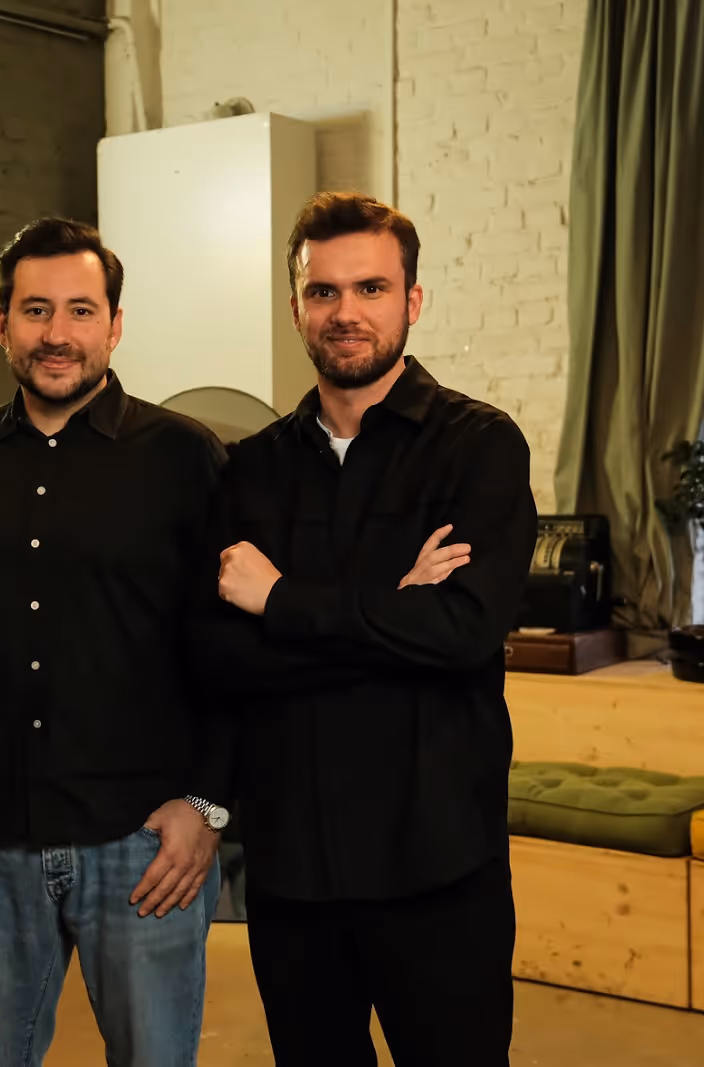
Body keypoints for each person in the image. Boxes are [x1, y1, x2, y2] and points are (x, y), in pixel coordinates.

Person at [195, 192, 536, 1066]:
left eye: (372, 289)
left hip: (438, 869)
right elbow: (218, 656)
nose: (346, 313)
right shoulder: (251, 469)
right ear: (298, 305)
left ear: (412, 301)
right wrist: (392, 606)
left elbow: (464, 630)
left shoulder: (479, 447)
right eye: (323, 292)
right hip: (293, 874)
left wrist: (281, 603)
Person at [0, 218, 232, 1067]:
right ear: (1, 324)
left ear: (115, 325)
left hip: (145, 848)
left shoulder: (187, 458)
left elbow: (233, 652)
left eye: (81, 310)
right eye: (35, 309)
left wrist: (211, 807)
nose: (57, 333)